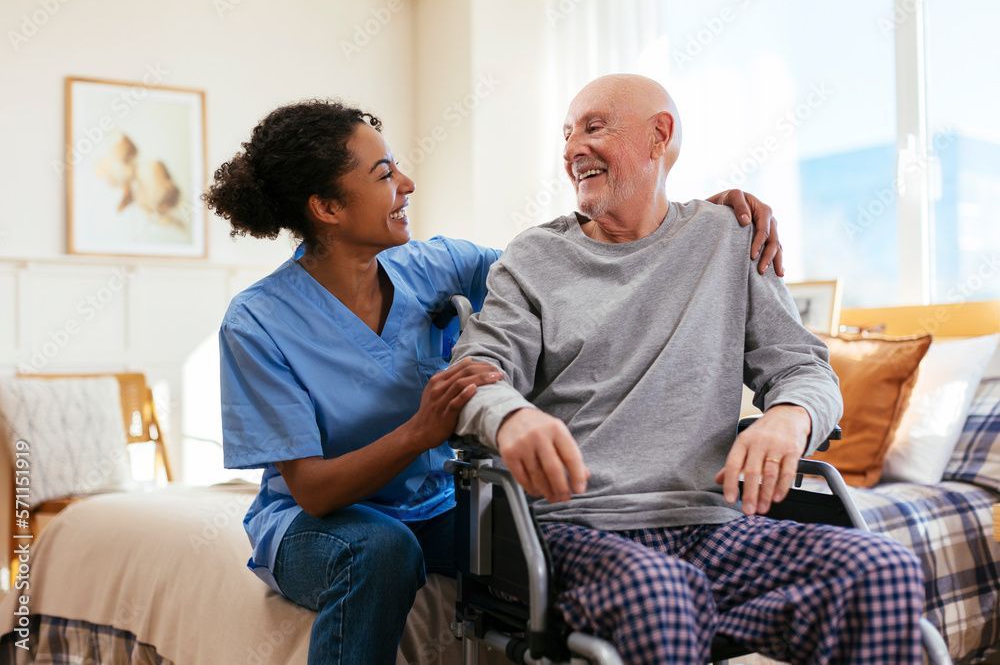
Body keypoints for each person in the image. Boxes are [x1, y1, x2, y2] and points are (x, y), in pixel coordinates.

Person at [208, 99, 787, 664]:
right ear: (327, 208)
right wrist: (418, 433)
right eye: (384, 173)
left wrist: (685, 225)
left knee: (550, 539)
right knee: (384, 551)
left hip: (436, 504)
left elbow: (572, 259)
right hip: (320, 523)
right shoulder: (258, 321)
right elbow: (312, 489)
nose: (407, 183)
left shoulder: (437, 266)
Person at [450, 74, 926, 665]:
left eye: (593, 128)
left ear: (659, 136)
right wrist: (510, 418)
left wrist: (790, 416)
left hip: (713, 529)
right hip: (581, 528)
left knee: (882, 568)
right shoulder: (534, 257)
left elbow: (805, 367)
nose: (572, 148)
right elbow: (476, 371)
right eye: (567, 135)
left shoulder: (730, 237)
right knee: (663, 594)